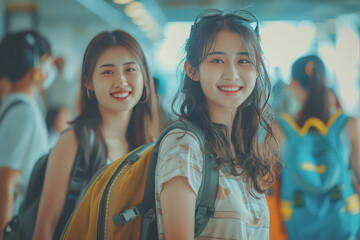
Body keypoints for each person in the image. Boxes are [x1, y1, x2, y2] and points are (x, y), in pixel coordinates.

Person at [155, 10, 278, 239]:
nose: (231, 73)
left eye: (243, 60)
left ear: (257, 68)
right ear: (192, 71)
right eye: (217, 60)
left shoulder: (244, 147)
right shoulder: (184, 146)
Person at [33, 30, 159, 240]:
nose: (121, 80)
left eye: (129, 69)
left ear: (144, 78)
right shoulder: (73, 142)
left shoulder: (152, 147)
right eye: (107, 72)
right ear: (88, 83)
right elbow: (45, 227)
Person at [275, 55, 360, 239]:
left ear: (293, 84)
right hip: (342, 222)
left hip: (298, 224)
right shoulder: (349, 125)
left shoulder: (280, 129)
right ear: (325, 81)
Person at [0, 30, 51, 238]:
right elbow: (6, 181)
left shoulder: (12, 104)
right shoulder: (24, 112)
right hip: (14, 223)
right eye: (47, 62)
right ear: (35, 69)